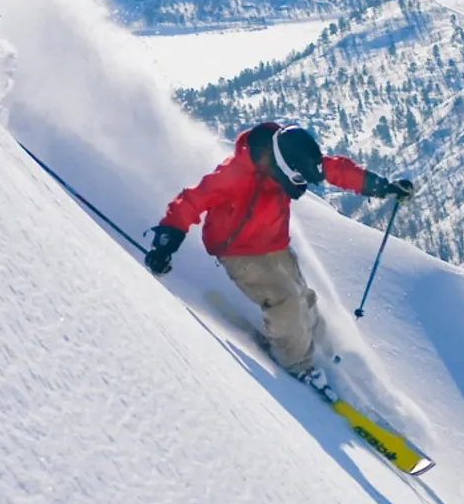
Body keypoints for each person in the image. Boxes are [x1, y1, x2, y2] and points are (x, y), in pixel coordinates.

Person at [145, 121, 413, 383]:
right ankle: (297, 363)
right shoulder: (234, 176)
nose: (301, 184)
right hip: (238, 251)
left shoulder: (290, 153)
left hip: (275, 244)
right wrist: (168, 239)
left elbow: (336, 170)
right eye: (297, 178)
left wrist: (383, 187)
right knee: (286, 300)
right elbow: (192, 200)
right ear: (280, 167)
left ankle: (324, 353)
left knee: (305, 298)